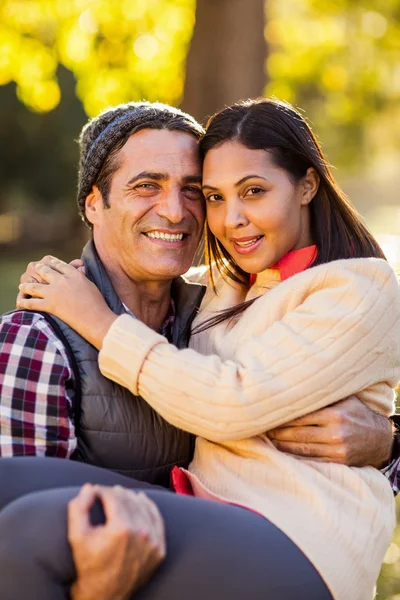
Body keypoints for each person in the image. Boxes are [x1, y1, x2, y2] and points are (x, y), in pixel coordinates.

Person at [1, 98, 400, 600]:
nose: (230, 219)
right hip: (219, 520)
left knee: (31, 529)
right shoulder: (224, 291)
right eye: (213, 196)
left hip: (297, 539)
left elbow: (235, 400)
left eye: (192, 191)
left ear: (307, 184)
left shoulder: (353, 287)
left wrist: (389, 442)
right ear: (92, 203)